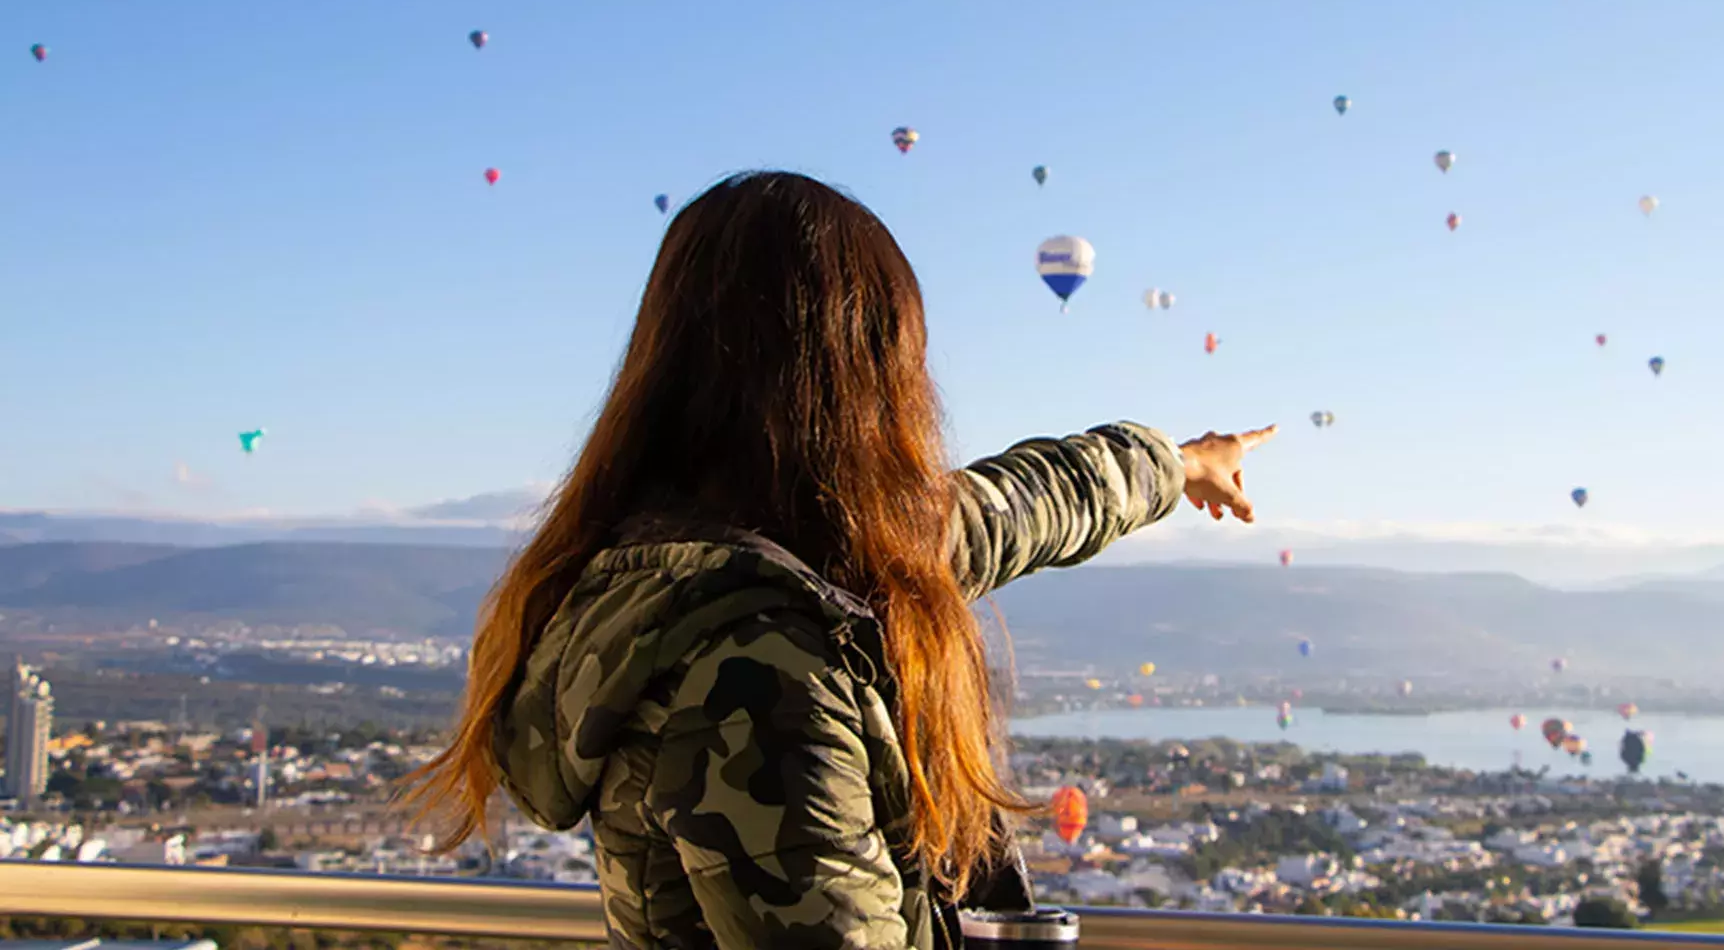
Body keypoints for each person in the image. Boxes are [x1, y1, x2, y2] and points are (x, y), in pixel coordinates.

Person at [404, 171, 1276, 950]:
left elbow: (1016, 506)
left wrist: (1179, 462)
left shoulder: (731, 569)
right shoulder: (760, 670)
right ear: (868, 369)